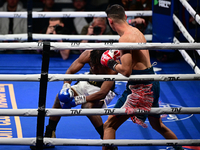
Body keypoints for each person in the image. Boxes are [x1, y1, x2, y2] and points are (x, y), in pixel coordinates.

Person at [100, 4, 183, 150]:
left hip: (140, 87)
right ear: (125, 17)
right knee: (158, 125)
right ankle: (180, 149)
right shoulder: (136, 31)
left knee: (109, 125)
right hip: (151, 82)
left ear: (110, 21)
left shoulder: (125, 39)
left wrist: (111, 63)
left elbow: (125, 71)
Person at [30, 49, 118, 150]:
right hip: (86, 83)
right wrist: (66, 87)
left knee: (87, 108)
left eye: (97, 66)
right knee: (60, 98)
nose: (93, 68)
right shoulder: (88, 54)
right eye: (92, 64)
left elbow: (102, 93)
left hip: (102, 90)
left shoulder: (112, 66)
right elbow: (70, 71)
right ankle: (50, 134)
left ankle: (107, 140)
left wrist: (78, 100)